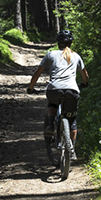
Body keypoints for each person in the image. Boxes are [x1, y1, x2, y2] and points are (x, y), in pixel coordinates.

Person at [27, 30, 89, 160]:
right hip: (72, 91)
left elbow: (37, 73)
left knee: (53, 103)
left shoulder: (50, 54)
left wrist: (31, 88)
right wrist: (84, 84)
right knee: (71, 121)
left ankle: (50, 124)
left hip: (54, 89)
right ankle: (71, 149)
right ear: (71, 42)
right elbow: (85, 76)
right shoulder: (76, 56)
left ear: (58, 42)